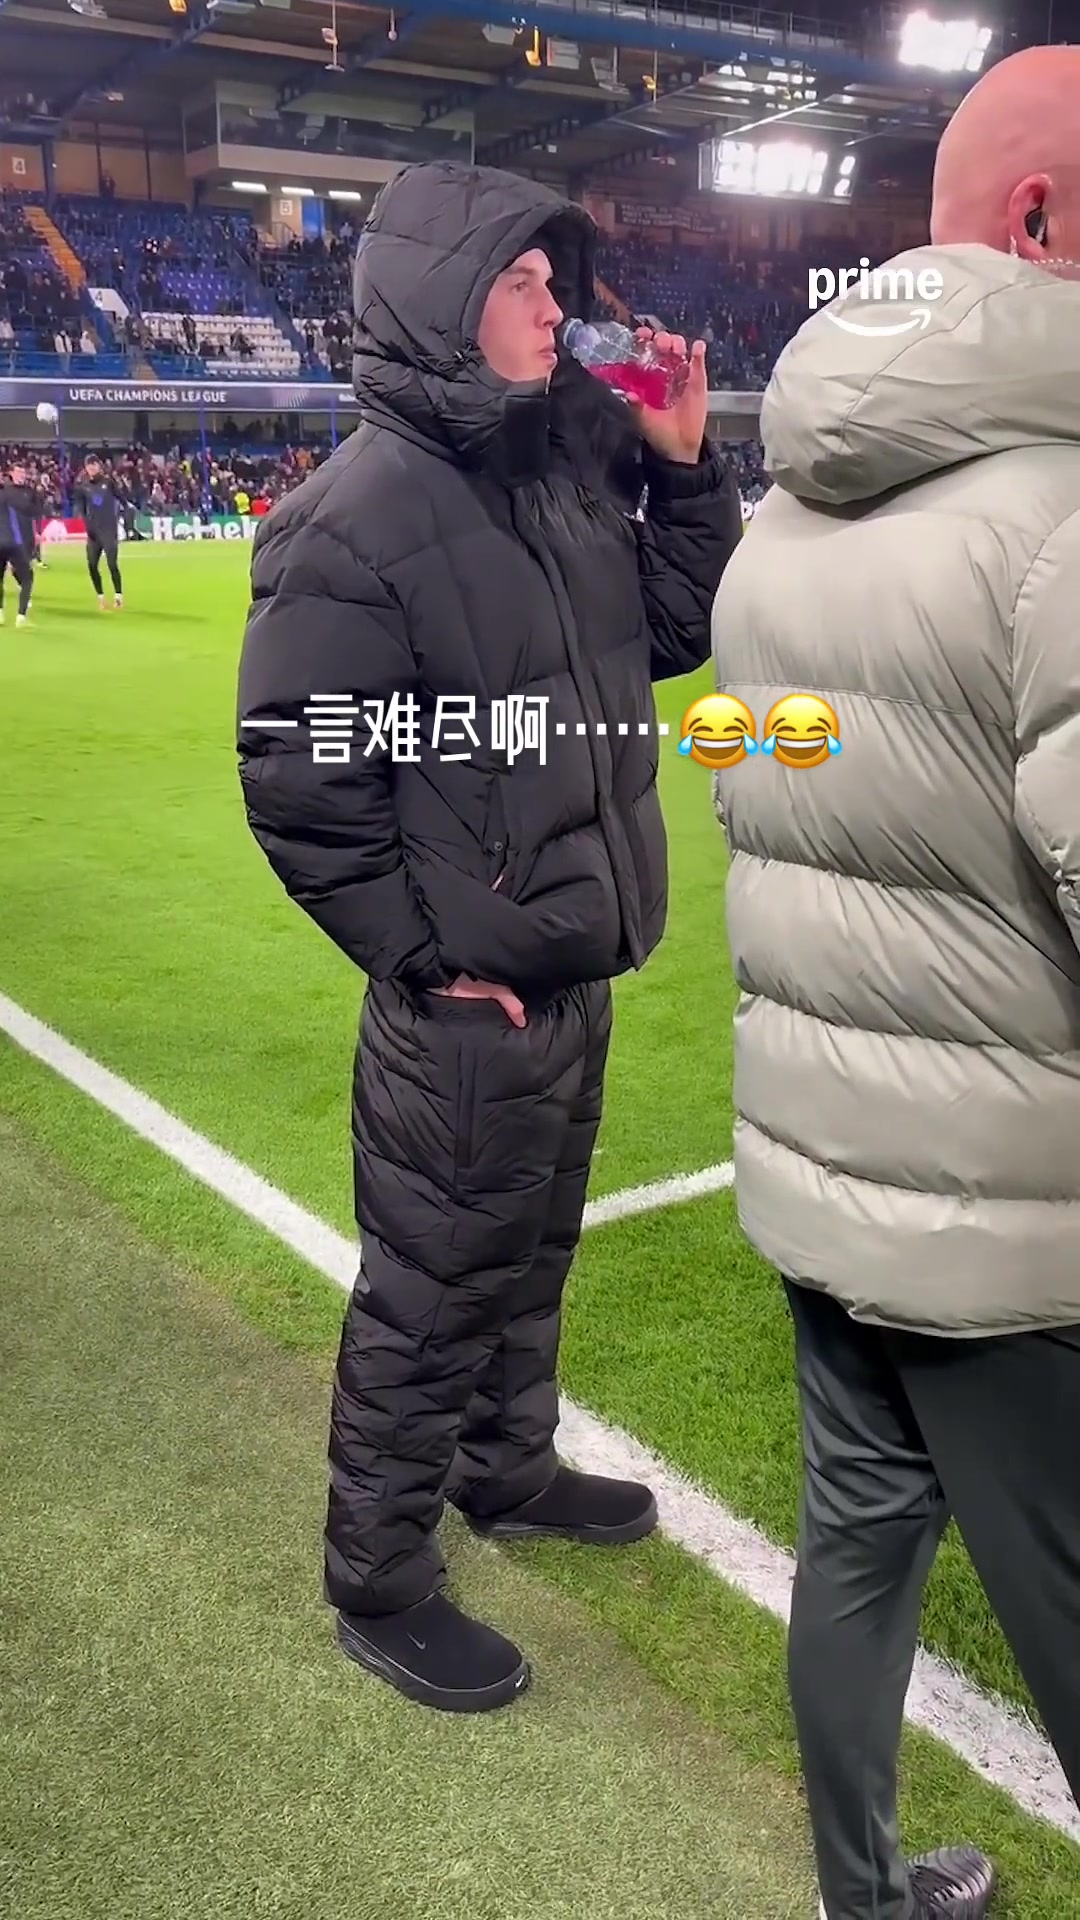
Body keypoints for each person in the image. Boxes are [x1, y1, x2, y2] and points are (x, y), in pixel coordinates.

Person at [236, 159, 741, 1714]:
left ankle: (507, 1469)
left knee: (530, 1260)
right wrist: (424, 956)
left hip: (571, 976)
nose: (550, 304)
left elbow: (669, 633)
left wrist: (684, 469)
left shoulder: (558, 476)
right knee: (432, 1294)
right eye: (518, 280)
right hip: (467, 1013)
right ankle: (380, 1577)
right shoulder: (353, 520)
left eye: (552, 278)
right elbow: (301, 765)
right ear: (441, 300)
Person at [709, 42, 1080, 1920]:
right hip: (1020, 1224)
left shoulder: (784, 507)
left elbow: (741, 789)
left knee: (855, 1557)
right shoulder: (1064, 513)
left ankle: (860, 1901)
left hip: (823, 1168)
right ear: (1041, 217)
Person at [73, 455, 123, 610]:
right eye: (89, 465)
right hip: (93, 532)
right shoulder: (82, 486)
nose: (91, 468)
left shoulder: (108, 482)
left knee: (112, 564)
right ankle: (100, 597)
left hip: (109, 530)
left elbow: (122, 498)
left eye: (94, 465)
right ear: (86, 468)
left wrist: (126, 512)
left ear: (99, 466)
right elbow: (80, 507)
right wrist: (85, 522)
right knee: (92, 565)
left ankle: (118, 595)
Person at [0, 462, 36, 627]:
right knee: (27, 578)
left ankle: (0, 614)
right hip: (13, 541)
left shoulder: (7, 492)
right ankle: (21, 616)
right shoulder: (11, 494)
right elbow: (30, 510)